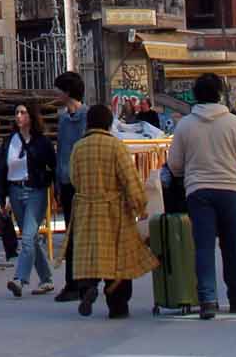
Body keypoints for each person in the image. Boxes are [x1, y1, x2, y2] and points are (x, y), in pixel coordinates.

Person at [167, 71, 236, 320]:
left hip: (198, 192)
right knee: (231, 247)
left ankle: (208, 299)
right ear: (220, 94)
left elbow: (175, 165)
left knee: (204, 247)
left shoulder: (185, 125)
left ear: (195, 95)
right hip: (229, 190)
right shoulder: (234, 123)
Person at [63, 103, 157, 318]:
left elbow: (73, 177)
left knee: (91, 256)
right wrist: (140, 205)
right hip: (114, 211)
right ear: (108, 123)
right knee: (118, 260)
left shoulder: (79, 147)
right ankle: (117, 305)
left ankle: (88, 287)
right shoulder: (115, 146)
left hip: (86, 209)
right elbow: (129, 179)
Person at [0, 101, 59, 297]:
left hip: (35, 191)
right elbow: (2, 170)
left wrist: (57, 192)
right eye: (16, 112)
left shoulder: (42, 142)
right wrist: (0, 198)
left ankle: (20, 279)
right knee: (32, 239)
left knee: (27, 237)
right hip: (15, 191)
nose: (18, 116)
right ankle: (47, 279)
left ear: (32, 116)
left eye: (23, 112)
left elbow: (53, 167)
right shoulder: (10, 141)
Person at [50, 71, 90, 301]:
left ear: (67, 92)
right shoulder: (63, 119)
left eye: (58, 89)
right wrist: (57, 181)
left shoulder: (87, 117)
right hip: (66, 183)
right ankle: (73, 283)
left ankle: (86, 282)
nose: (55, 93)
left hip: (83, 183)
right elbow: (62, 151)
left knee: (84, 234)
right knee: (70, 234)